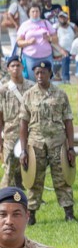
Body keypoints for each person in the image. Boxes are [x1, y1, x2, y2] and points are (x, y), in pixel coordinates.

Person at [19, 60, 76, 224]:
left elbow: (68, 122)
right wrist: (23, 150)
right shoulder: (28, 95)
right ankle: (31, 216)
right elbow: (23, 123)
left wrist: (71, 148)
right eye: (36, 73)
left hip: (58, 142)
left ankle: (69, 213)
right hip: (36, 144)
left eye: (42, 73)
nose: (39, 76)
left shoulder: (60, 94)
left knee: (62, 177)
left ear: (50, 73)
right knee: (34, 179)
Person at [0, 56, 34, 188]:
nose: (15, 68)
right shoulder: (3, 90)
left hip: (30, 133)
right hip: (11, 134)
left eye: (18, 65)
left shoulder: (32, 88)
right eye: (12, 66)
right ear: (8, 69)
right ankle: (5, 196)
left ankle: (33, 196)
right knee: (9, 168)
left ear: (23, 67)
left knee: (32, 166)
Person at [16, 5, 57, 81]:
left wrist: (49, 38)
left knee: (47, 79)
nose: (35, 13)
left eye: (37, 11)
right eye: (33, 11)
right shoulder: (25, 25)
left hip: (46, 56)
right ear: (29, 13)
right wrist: (28, 42)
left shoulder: (46, 23)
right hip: (30, 57)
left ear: (40, 12)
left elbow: (56, 39)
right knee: (32, 79)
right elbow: (18, 42)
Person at [53, 11, 77, 84]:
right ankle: (64, 78)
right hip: (58, 50)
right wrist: (61, 49)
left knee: (66, 56)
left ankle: (65, 79)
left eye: (64, 17)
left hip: (71, 50)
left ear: (67, 18)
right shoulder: (55, 27)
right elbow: (53, 40)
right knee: (65, 56)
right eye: (60, 17)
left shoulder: (72, 26)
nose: (62, 19)